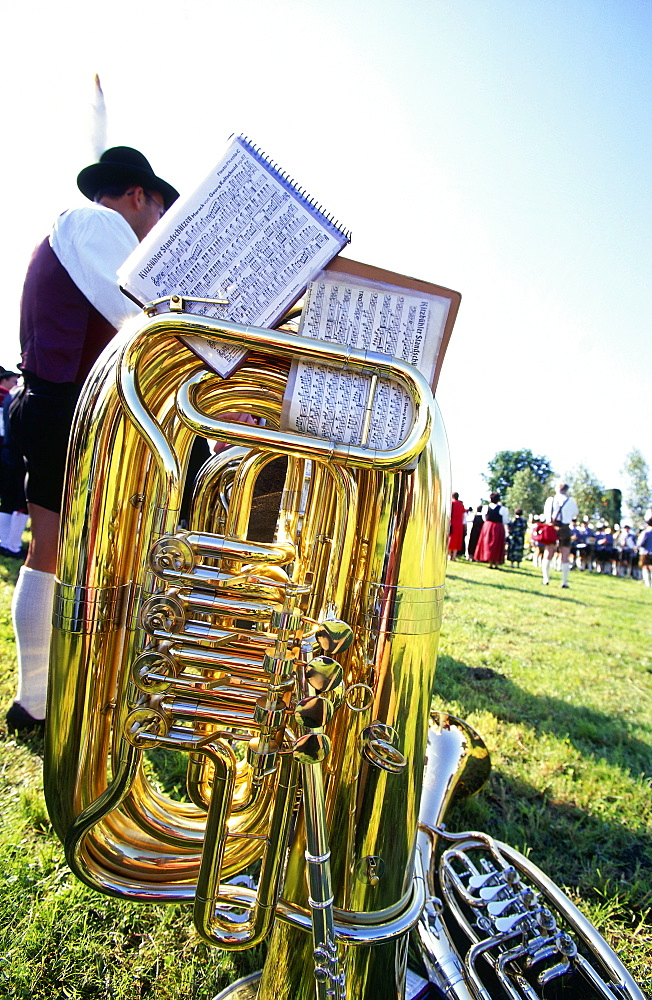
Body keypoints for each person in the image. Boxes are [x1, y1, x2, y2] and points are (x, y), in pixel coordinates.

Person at [6, 146, 179, 734]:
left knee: (55, 554)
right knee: (58, 554)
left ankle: (41, 700)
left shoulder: (81, 229)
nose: (156, 228)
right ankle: (40, 701)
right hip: (66, 410)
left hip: (57, 404)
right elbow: (140, 315)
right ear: (137, 196)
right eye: (158, 212)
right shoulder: (97, 223)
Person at [541, 482, 579, 588]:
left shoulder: (551, 500)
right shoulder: (571, 501)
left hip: (552, 527)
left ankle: (546, 579)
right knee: (565, 554)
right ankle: (564, 582)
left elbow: (546, 515)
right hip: (565, 528)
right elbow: (575, 514)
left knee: (548, 552)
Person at [473, 492, 509, 568]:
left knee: (487, 544)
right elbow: (505, 520)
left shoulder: (485, 507)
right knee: (497, 544)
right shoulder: (503, 509)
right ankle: (496, 563)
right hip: (498, 526)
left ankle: (490, 562)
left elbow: (484, 518)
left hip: (488, 526)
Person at [448, 492, 465, 560]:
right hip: (459, 524)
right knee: (457, 540)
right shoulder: (461, 504)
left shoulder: (451, 504)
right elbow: (463, 515)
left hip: (452, 523)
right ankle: (454, 556)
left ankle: (449, 555)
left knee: (450, 539)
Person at [637, 518, 652, 588]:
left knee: (645, 567)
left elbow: (641, 543)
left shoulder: (646, 532)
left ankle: (648, 583)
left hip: (645, 552)